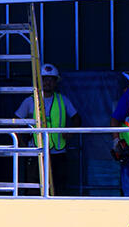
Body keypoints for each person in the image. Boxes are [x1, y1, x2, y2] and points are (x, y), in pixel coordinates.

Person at [13, 64, 82, 195]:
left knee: (58, 186)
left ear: (56, 82)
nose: (47, 82)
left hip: (58, 152)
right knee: (34, 186)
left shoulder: (63, 100)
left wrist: (70, 132)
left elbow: (77, 118)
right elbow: (15, 121)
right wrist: (21, 141)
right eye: (44, 79)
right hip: (36, 151)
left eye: (51, 79)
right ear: (39, 81)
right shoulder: (30, 101)